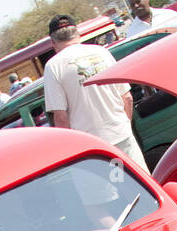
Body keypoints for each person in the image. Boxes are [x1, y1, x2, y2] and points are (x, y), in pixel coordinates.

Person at [43, 14, 148, 170]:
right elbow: (127, 97)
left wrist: (72, 150)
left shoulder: (53, 67)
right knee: (142, 186)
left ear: (53, 42)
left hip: (91, 150)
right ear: (78, 34)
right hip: (122, 135)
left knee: (110, 194)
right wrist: (123, 125)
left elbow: (61, 117)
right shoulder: (101, 52)